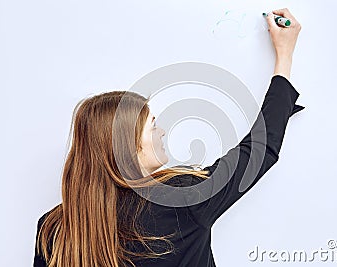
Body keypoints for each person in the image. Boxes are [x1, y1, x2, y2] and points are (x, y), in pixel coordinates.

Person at [34, 8, 304, 267]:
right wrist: (284, 56)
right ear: (128, 145)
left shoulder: (52, 229)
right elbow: (260, 149)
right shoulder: (179, 200)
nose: (162, 132)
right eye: (152, 126)